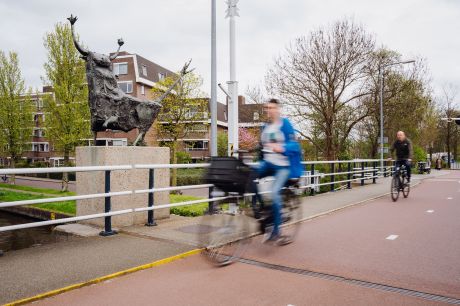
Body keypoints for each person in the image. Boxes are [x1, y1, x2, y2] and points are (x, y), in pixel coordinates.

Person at [255, 98, 302, 242]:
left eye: (272, 108)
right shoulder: (265, 127)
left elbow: (295, 146)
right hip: (267, 163)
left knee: (274, 192)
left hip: (283, 167)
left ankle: (277, 232)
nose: (269, 110)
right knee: (247, 175)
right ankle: (264, 209)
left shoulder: (285, 124)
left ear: (278, 109)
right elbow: (262, 148)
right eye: (267, 108)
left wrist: (282, 148)